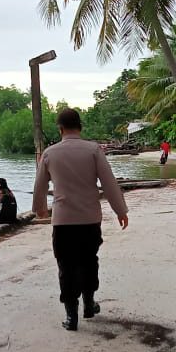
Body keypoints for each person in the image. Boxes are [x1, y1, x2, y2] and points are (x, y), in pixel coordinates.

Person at [33, 108, 129, 332]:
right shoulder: (93, 150)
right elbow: (109, 183)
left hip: (63, 220)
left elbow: (40, 186)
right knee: (88, 260)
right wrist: (120, 210)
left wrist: (40, 209)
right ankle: (88, 304)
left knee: (66, 265)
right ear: (80, 126)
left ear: (60, 128)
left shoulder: (49, 153)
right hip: (89, 219)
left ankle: (71, 315)